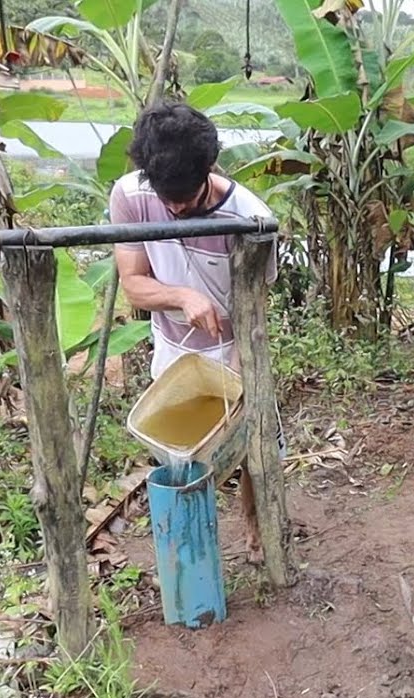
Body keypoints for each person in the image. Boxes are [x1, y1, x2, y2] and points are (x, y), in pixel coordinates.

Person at [110, 101, 284, 565]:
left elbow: (254, 308)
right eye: (166, 197)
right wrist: (184, 297)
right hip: (175, 346)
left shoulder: (249, 218)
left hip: (235, 344)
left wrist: (239, 364)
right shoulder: (130, 197)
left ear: (209, 169)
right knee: (180, 453)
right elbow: (133, 283)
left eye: (185, 198)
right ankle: (192, 548)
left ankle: (257, 531)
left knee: (252, 446)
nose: (175, 208)